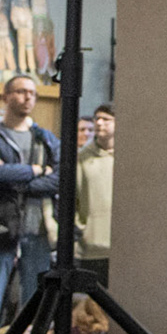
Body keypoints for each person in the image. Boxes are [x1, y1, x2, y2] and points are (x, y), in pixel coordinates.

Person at [0, 73, 59, 328]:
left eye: (32, 93)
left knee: (35, 305)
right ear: (6, 96)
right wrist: (36, 170)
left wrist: (16, 180)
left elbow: (59, 178)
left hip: (37, 228)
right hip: (1, 227)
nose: (27, 97)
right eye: (20, 91)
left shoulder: (46, 139)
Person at [75, 103, 116, 285]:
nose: (99, 123)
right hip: (91, 245)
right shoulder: (82, 158)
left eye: (106, 119)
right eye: (97, 119)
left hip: (120, 245)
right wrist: (80, 229)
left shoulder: (129, 158)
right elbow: (74, 197)